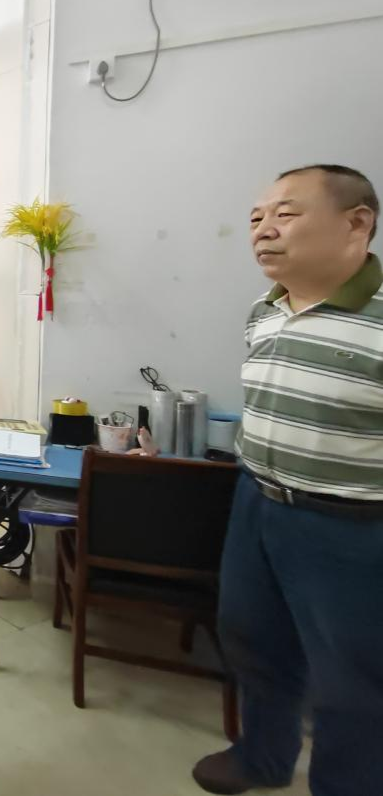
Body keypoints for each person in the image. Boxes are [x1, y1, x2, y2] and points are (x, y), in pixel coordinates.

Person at [192, 165, 383, 796]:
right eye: (256, 218)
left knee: (353, 679)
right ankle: (263, 757)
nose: (263, 230)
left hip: (350, 524)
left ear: (357, 223)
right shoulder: (265, 310)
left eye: (286, 214)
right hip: (257, 500)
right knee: (252, 639)